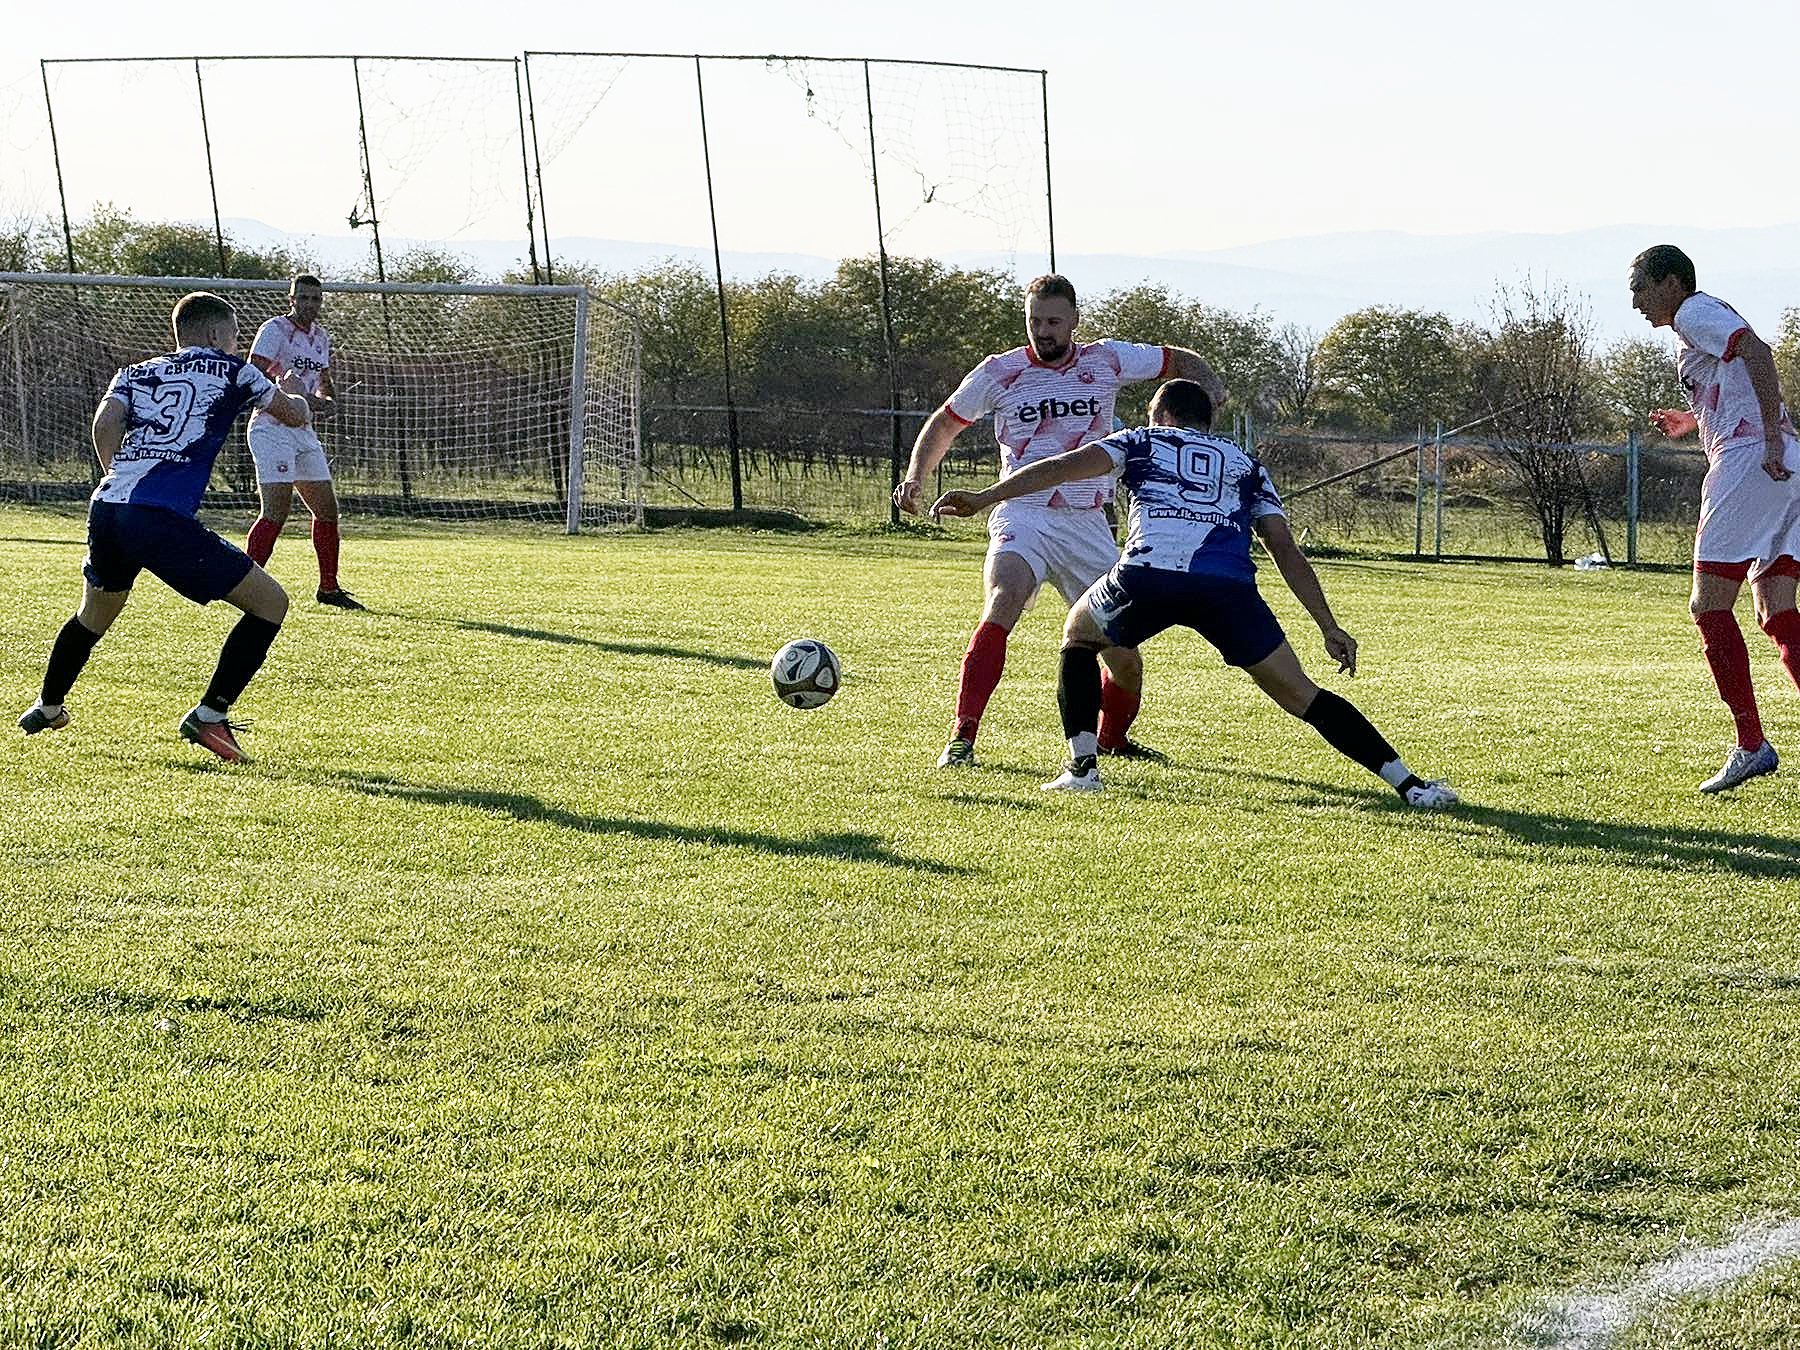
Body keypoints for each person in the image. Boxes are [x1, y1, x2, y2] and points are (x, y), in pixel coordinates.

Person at [930, 378, 1458, 807]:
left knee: (1078, 636)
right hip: (1227, 589)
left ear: (1161, 416)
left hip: (1150, 573)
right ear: (1209, 423)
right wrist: (1327, 625)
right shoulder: (1247, 464)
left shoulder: (1142, 440)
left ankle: (1083, 768)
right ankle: (1410, 785)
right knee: (1302, 695)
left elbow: (1062, 468)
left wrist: (986, 497)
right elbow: (1284, 550)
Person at [893, 273, 1226, 768]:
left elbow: (1175, 359)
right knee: (1002, 601)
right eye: (1033, 321)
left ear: (1074, 320)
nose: (1042, 331)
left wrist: (1214, 387)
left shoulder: (1107, 358)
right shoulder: (999, 372)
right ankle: (962, 738)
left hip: (1088, 522)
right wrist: (916, 475)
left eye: (1052, 321)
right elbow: (945, 422)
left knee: (1124, 656)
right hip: (1022, 512)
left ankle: (1111, 739)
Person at [17, 291, 312, 763]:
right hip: (158, 517)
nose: (235, 345)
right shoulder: (235, 370)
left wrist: (119, 475)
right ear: (217, 335)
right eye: (234, 336)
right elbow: (293, 414)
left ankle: (48, 705)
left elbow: (104, 421)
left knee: (95, 614)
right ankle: (211, 716)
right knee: (270, 604)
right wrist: (295, 388)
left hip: (108, 507)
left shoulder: (135, 372)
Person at [1631, 244, 1800, 792]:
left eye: (1640, 287)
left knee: (1707, 604)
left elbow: (1759, 353)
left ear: (1672, 283)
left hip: (1754, 461)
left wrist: (1767, 438)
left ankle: (1751, 744)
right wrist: (1692, 418)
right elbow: (1737, 378)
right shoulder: (1698, 321)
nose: (1634, 300)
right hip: (1785, 462)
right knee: (1776, 609)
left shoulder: (1693, 312)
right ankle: (1751, 743)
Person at [245, 273, 364, 609]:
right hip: (271, 428)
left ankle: (328, 590)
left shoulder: (321, 337)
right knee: (275, 513)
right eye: (304, 298)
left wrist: (322, 401)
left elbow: (324, 386)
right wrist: (282, 387)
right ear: (291, 299)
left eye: (316, 299)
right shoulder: (274, 330)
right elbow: (252, 374)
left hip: (303, 430)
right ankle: (241, 585)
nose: (310, 304)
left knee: (327, 511)